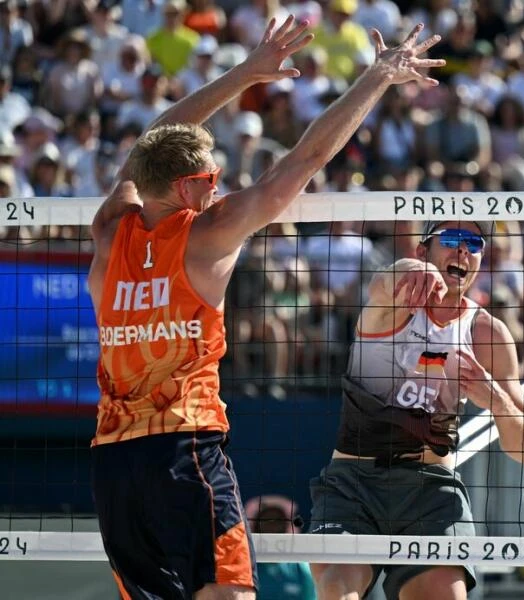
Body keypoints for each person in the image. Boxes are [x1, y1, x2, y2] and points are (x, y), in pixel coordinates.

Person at [88, 14, 446, 600]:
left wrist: (244, 74)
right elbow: (304, 161)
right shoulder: (208, 233)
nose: (218, 186)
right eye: (210, 176)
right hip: (186, 452)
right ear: (184, 188)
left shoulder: (109, 232)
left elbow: (146, 151)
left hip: (112, 464)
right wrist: (377, 78)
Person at [308, 221, 524, 600]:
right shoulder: (395, 301)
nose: (463, 250)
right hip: (354, 483)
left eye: (474, 242)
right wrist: (404, 271)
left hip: (430, 491)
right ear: (422, 251)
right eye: (451, 240)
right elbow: (382, 284)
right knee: (338, 592)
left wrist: (495, 399)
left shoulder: (488, 332)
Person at [245, 495, 316, 600]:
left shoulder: (302, 568)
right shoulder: (246, 567)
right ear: (254, 526)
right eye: (265, 521)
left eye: (278, 521)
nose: (272, 527)